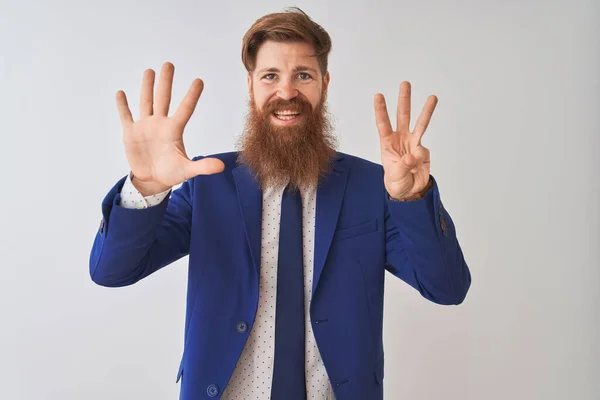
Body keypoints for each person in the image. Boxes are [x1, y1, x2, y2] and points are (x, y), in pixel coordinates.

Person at [89, 7, 471, 400]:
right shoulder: (207, 182)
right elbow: (111, 271)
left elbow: (447, 287)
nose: (286, 92)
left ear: (324, 82)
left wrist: (411, 197)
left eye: (302, 76)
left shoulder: (372, 186)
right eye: (270, 76)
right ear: (251, 84)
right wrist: (146, 186)